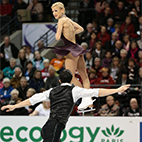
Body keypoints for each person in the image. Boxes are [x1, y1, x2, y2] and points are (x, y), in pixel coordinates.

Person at [1, 69, 130, 142]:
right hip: (55, 127)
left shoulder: (51, 91)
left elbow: (32, 100)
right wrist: (117, 89)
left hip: (49, 127)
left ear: (60, 80)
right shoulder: (75, 90)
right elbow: (98, 92)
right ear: (70, 79)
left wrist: (14, 106)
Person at [47, 2, 95, 109]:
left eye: (56, 11)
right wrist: (70, 32)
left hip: (70, 50)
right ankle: (89, 101)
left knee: (71, 77)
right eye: (53, 11)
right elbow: (81, 29)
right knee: (84, 76)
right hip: (78, 48)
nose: (54, 13)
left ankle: (84, 99)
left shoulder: (61, 21)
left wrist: (59, 30)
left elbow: (57, 37)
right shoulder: (68, 20)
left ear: (62, 10)